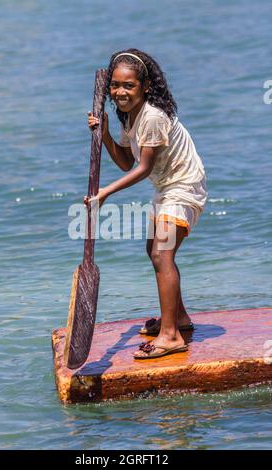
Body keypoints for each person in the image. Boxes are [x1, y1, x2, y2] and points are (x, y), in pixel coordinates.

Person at [85, 48, 207, 359]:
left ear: (145, 86)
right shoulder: (131, 116)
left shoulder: (152, 115)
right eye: (115, 85)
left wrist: (105, 193)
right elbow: (127, 161)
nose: (120, 92)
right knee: (154, 252)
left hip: (183, 185)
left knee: (161, 254)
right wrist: (106, 135)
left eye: (129, 85)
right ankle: (178, 318)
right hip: (167, 187)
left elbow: (143, 169)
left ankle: (171, 336)